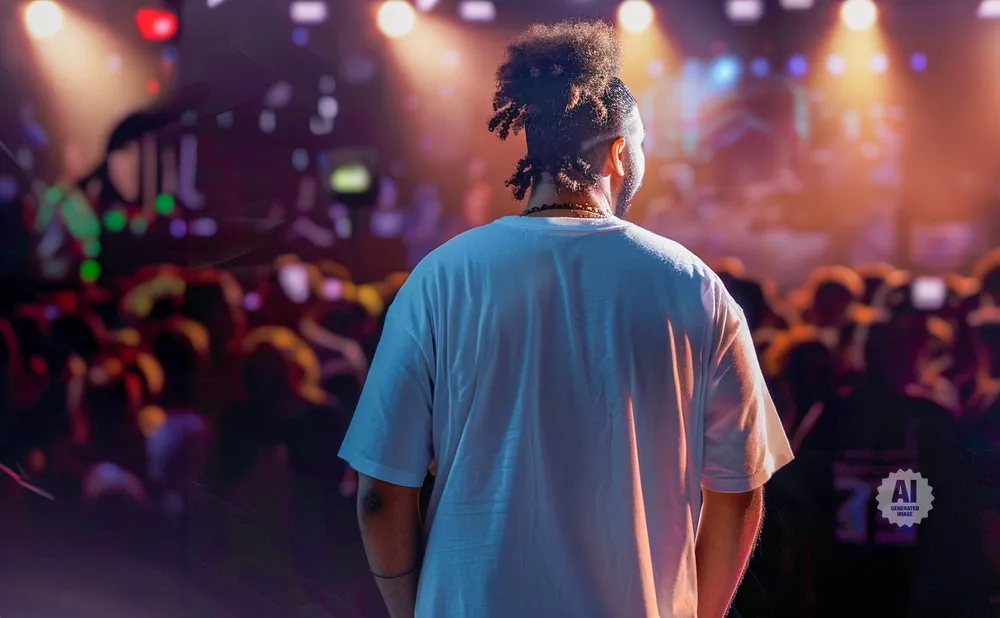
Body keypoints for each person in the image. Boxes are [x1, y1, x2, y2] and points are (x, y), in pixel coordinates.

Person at [339, 21, 793, 618]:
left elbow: (379, 495)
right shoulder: (696, 288)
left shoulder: (439, 279)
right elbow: (738, 493)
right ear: (618, 152)